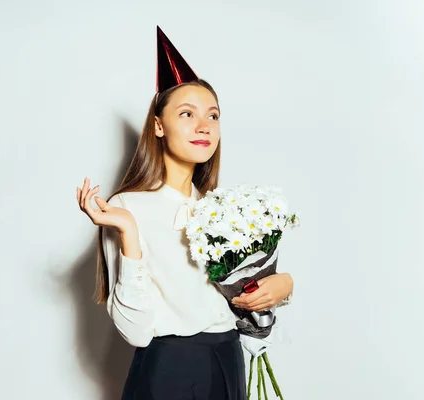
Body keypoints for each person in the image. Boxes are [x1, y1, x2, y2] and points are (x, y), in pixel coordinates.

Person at [76, 26, 294, 399]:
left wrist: (281, 287)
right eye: (187, 114)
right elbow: (136, 331)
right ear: (158, 126)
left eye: (213, 115)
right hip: (169, 369)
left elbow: (238, 292)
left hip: (228, 359)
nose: (203, 127)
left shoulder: (223, 210)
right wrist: (129, 233)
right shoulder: (127, 208)